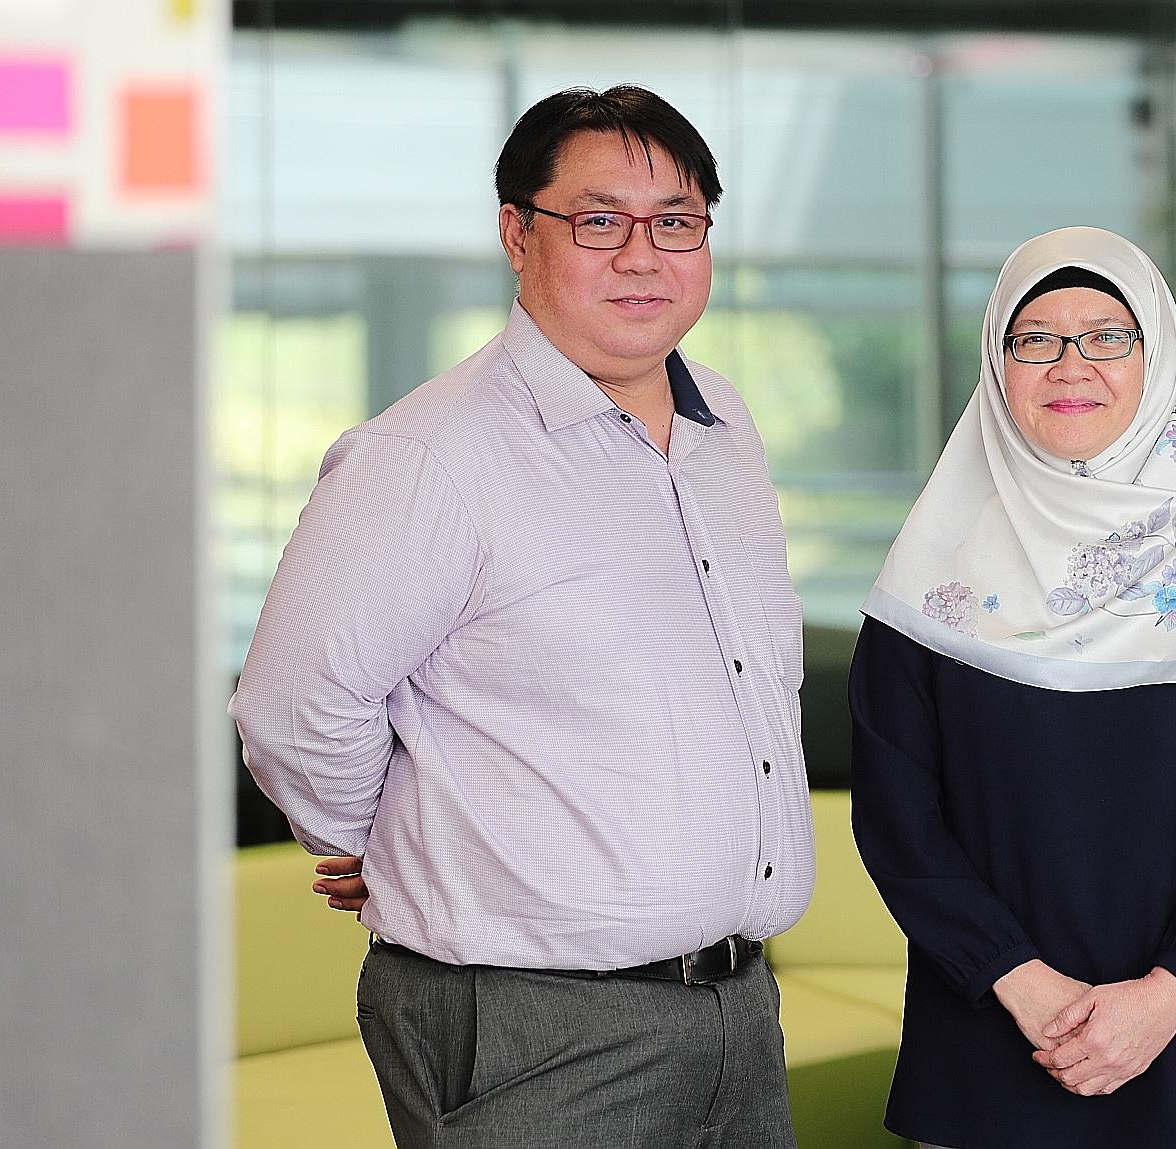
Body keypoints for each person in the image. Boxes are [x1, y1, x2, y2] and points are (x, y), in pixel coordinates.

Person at [231, 85, 811, 1149]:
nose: (643, 256)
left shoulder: (724, 426)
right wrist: (400, 839)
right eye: (599, 221)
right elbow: (291, 708)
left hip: (736, 1008)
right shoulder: (429, 459)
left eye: (676, 222)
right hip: (534, 1029)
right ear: (516, 233)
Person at [849, 226, 1176, 1149]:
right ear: (997, 365)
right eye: (1035, 338)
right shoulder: (931, 568)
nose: (1071, 364)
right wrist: (1020, 982)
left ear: (1156, 354)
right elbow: (895, 811)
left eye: (1107, 335)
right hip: (994, 1043)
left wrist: (1168, 994)